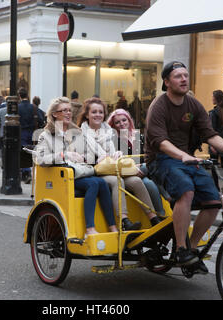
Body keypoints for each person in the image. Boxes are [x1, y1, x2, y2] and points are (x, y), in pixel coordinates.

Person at [145, 61, 223, 272]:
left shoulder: (193, 105)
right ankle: (179, 249)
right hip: (161, 159)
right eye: (178, 76)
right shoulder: (158, 106)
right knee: (185, 191)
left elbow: (210, 135)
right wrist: (183, 155)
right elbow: (160, 142)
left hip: (186, 159)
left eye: (186, 75)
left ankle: (192, 250)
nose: (184, 79)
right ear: (167, 82)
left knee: (213, 201)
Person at [36, 97, 117, 236]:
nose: (69, 113)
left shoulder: (77, 133)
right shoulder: (46, 135)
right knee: (93, 184)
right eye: (64, 110)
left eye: (70, 110)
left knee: (102, 183)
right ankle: (89, 229)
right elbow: (40, 159)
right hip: (61, 177)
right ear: (55, 114)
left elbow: (88, 154)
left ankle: (112, 227)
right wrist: (63, 155)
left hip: (80, 172)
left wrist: (98, 157)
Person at [77, 97, 141, 231]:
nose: (97, 115)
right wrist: (95, 159)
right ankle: (124, 220)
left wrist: (117, 154)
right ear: (87, 115)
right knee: (116, 181)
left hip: (110, 168)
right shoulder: (79, 133)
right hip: (94, 172)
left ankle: (153, 218)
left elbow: (113, 153)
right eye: (94, 112)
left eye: (100, 112)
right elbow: (78, 158)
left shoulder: (109, 132)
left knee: (136, 181)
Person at [107, 108, 165, 218]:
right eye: (117, 122)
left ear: (129, 120)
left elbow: (149, 155)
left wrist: (141, 167)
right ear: (113, 125)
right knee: (149, 183)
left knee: (153, 168)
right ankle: (161, 214)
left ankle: (163, 211)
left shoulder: (139, 136)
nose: (121, 124)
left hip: (144, 170)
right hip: (128, 174)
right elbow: (118, 163)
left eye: (124, 120)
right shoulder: (113, 140)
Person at [18, 87, 36, 183]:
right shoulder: (33, 107)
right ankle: (27, 171)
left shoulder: (18, 107)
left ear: (19, 96)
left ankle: (27, 171)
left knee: (24, 151)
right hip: (31, 132)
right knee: (30, 151)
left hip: (22, 131)